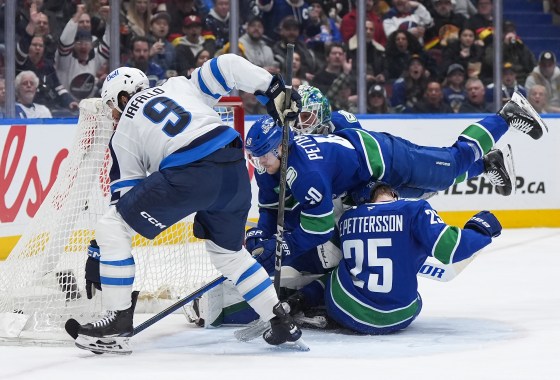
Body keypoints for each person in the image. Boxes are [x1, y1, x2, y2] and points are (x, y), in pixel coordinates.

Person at [72, 54, 305, 354]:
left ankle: (118, 321)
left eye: (111, 106)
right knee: (229, 255)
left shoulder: (123, 134)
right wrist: (273, 88)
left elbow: (124, 202)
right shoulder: (179, 85)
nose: (113, 115)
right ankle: (279, 319)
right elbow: (228, 65)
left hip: (189, 171)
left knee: (110, 227)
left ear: (122, 96)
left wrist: (100, 250)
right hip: (233, 168)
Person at [244, 90, 546, 267]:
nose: (302, 125)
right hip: (367, 176)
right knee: (429, 190)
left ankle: (507, 114)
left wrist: (284, 247)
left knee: (452, 163)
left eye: (308, 118)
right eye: (298, 120)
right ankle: (488, 164)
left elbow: (350, 161)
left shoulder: (337, 125)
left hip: (388, 159)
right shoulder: (279, 159)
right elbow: (272, 208)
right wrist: (264, 235)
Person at [281, 183, 502, 334]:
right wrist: (481, 231)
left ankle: (299, 300)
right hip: (400, 315)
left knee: (337, 273)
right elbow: (451, 249)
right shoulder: (414, 209)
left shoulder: (348, 217)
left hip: (347, 310)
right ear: (393, 194)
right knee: (411, 290)